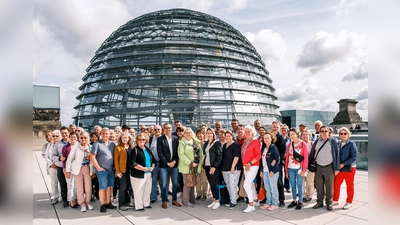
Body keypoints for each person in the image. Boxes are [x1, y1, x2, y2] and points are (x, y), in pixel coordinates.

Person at [311, 125, 340, 211]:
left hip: (329, 167)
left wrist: (336, 168)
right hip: (318, 167)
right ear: (319, 133)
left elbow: (337, 155)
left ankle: (329, 203)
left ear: (328, 132)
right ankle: (319, 202)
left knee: (329, 186)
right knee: (319, 186)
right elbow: (312, 153)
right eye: (322, 131)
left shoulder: (333, 142)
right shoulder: (316, 141)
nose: (324, 133)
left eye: (325, 131)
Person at [65, 132, 94, 212]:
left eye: (85, 138)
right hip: (77, 169)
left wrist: (93, 171)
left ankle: (88, 202)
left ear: (88, 138)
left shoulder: (91, 148)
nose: (83, 139)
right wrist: (67, 170)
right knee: (79, 188)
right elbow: (69, 160)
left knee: (88, 188)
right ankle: (82, 203)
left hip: (87, 168)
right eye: (82, 138)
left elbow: (94, 160)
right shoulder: (76, 148)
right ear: (79, 139)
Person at [90, 127, 117, 213]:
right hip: (102, 170)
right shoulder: (97, 144)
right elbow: (92, 156)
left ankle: (108, 202)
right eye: (103, 133)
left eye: (107, 133)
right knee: (102, 187)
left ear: (109, 134)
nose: (105, 135)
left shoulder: (112, 144)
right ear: (101, 134)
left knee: (109, 187)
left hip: (111, 170)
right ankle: (102, 204)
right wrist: (98, 167)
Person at [157, 123, 182, 209]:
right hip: (164, 165)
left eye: (169, 128)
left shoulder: (176, 138)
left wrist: (174, 161)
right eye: (166, 128)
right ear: (163, 129)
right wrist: (167, 163)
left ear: (172, 129)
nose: (168, 129)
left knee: (175, 183)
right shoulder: (160, 139)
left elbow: (177, 152)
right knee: (164, 184)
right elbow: (159, 152)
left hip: (174, 165)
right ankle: (164, 200)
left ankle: (174, 200)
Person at [333, 127, 358, 210]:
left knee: (349, 185)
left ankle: (349, 202)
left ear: (348, 134)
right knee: (336, 184)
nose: (343, 135)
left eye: (345, 133)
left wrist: (343, 164)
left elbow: (354, 157)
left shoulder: (351, 144)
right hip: (339, 168)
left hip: (349, 168)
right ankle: (335, 199)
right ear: (339, 135)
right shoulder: (338, 144)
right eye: (341, 133)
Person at [178, 128, 203, 207]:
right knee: (187, 184)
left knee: (193, 183)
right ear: (184, 134)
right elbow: (181, 154)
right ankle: (185, 202)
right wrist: (190, 163)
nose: (188, 134)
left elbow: (200, 153)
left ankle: (192, 200)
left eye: (190, 132)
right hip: (187, 167)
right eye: (187, 133)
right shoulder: (182, 143)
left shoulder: (196, 141)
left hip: (195, 166)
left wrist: (198, 163)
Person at [130, 133, 155, 211]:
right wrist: (142, 168)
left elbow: (153, 160)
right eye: (140, 139)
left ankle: (146, 204)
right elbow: (132, 163)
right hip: (138, 174)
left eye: (143, 139)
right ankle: (139, 206)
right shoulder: (134, 150)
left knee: (147, 190)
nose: (142, 141)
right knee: (138, 191)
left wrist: (152, 168)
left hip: (148, 173)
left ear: (146, 140)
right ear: (137, 141)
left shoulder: (148, 149)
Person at [285, 128, 308, 210]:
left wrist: (303, 170)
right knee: (293, 185)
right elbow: (287, 158)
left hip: (299, 168)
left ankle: (300, 201)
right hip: (290, 167)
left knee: (299, 185)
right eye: (290, 134)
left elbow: (305, 158)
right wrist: (286, 170)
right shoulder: (289, 145)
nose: (291, 136)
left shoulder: (303, 144)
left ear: (297, 134)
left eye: (293, 134)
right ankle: (294, 200)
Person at [242, 125, 261, 213]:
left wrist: (250, 163)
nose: (247, 133)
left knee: (246, 184)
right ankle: (256, 200)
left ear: (252, 132)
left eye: (249, 131)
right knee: (251, 184)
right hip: (245, 166)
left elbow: (258, 155)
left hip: (253, 166)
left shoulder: (255, 141)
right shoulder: (245, 141)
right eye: (245, 132)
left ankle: (251, 205)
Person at [220, 130, 241, 209]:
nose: (228, 137)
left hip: (233, 169)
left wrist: (232, 166)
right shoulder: (224, 145)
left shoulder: (235, 145)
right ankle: (234, 198)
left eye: (229, 136)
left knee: (232, 185)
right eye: (226, 136)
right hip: (224, 169)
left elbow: (236, 157)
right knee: (228, 185)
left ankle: (233, 202)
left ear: (232, 136)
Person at [259, 131, 280, 211]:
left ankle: (274, 204)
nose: (266, 139)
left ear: (271, 139)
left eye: (268, 138)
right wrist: (261, 170)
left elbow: (277, 159)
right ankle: (268, 202)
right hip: (265, 171)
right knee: (267, 188)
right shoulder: (264, 148)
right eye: (265, 138)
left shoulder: (273, 147)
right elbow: (262, 160)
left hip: (272, 172)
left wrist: (273, 171)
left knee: (273, 188)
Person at [114, 132, 135, 211]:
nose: (125, 139)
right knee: (123, 187)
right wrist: (118, 171)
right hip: (122, 170)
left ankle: (127, 201)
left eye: (126, 138)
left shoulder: (132, 147)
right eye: (123, 138)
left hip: (131, 170)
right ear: (121, 139)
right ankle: (121, 204)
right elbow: (116, 161)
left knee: (128, 187)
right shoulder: (118, 148)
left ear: (129, 138)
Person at [203, 128, 223, 210]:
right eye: (208, 133)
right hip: (207, 166)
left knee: (214, 184)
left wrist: (214, 166)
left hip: (213, 167)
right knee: (211, 184)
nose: (209, 134)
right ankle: (214, 200)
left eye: (211, 133)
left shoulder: (217, 143)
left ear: (213, 134)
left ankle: (217, 201)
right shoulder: (206, 143)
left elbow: (219, 156)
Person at [52, 126, 70, 207]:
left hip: (71, 167)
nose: (64, 134)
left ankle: (72, 199)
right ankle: (65, 200)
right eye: (62, 133)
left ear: (68, 133)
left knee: (72, 184)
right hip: (61, 166)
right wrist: (59, 158)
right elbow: (53, 155)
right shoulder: (57, 144)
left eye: (66, 133)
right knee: (63, 184)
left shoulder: (73, 141)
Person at [271, 121, 287, 207]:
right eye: (274, 127)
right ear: (271, 127)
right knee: (270, 182)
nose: (275, 129)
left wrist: (276, 161)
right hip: (268, 163)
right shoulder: (268, 136)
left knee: (279, 182)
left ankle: (281, 200)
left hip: (277, 163)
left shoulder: (281, 138)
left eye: (277, 127)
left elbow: (282, 151)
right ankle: (271, 199)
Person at [62, 132, 79, 208]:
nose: (73, 139)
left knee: (76, 185)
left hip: (77, 168)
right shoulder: (65, 148)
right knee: (70, 184)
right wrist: (65, 169)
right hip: (68, 168)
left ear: (77, 138)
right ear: (69, 138)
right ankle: (70, 200)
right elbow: (64, 160)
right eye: (71, 137)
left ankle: (75, 199)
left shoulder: (79, 147)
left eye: (74, 137)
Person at [43, 130, 60, 205]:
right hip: (52, 167)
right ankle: (55, 197)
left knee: (62, 183)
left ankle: (63, 197)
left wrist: (56, 163)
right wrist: (52, 164)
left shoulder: (61, 144)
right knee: (54, 182)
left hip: (59, 166)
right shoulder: (49, 145)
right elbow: (46, 156)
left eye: (57, 136)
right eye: (53, 136)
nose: (55, 137)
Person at [149, 125, 162, 204]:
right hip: (154, 163)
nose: (157, 131)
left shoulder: (164, 138)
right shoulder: (150, 140)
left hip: (163, 163)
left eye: (158, 129)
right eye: (155, 129)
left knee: (163, 181)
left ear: (161, 130)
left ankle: (164, 197)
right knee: (153, 181)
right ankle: (153, 197)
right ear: (153, 130)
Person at [301, 130, 314, 202]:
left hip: (310, 166)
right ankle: (303, 195)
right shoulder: (299, 144)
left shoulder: (312, 144)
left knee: (310, 182)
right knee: (301, 182)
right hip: (301, 167)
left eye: (306, 134)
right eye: (303, 134)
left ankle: (309, 195)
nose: (305, 136)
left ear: (309, 136)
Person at [195, 129, 208, 200]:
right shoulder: (195, 143)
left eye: (201, 134)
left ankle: (204, 193)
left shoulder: (206, 143)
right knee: (197, 180)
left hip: (203, 164)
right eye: (198, 134)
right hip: (196, 164)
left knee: (204, 179)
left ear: (204, 135)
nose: (199, 135)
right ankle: (199, 193)